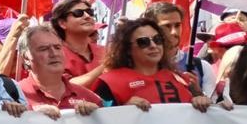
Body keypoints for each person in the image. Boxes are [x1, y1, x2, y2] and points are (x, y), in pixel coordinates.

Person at [91, 18, 220, 112]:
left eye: (157, 40)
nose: (153, 46)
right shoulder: (110, 83)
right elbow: (99, 123)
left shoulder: (182, 80)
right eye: (143, 42)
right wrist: (122, 110)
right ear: (127, 49)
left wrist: (200, 100)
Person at [16, 25, 103, 118]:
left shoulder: (90, 98)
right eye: (44, 49)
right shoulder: (13, 95)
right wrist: (29, 115)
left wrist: (97, 116)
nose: (54, 54)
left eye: (57, 47)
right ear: (26, 58)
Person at [144, 1, 214, 96]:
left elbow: (214, 108)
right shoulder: (140, 65)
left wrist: (198, 93)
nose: (174, 32)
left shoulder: (202, 67)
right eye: (167, 26)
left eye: (177, 25)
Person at [49, 0, 104, 87]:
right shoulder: (53, 55)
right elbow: (65, 86)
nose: (87, 16)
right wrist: (104, 66)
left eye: (90, 12)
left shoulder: (104, 51)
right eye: (78, 13)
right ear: (62, 23)